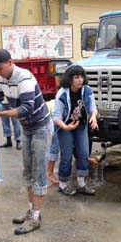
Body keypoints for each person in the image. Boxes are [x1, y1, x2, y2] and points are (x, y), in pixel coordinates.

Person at [0, 48, 53, 235]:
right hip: (26, 128)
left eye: (0, 68)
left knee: (39, 171)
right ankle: (31, 210)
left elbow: (26, 108)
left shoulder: (25, 77)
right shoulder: (1, 79)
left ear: (10, 62)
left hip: (41, 127)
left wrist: (0, 113)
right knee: (27, 171)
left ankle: (36, 217)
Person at [52, 65, 98, 196]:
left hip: (81, 126)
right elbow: (56, 117)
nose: (80, 80)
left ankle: (82, 183)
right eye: (76, 77)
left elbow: (93, 107)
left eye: (82, 76)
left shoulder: (87, 90)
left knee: (83, 153)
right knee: (66, 155)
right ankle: (62, 184)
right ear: (69, 79)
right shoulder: (62, 93)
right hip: (64, 126)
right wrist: (66, 127)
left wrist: (93, 117)